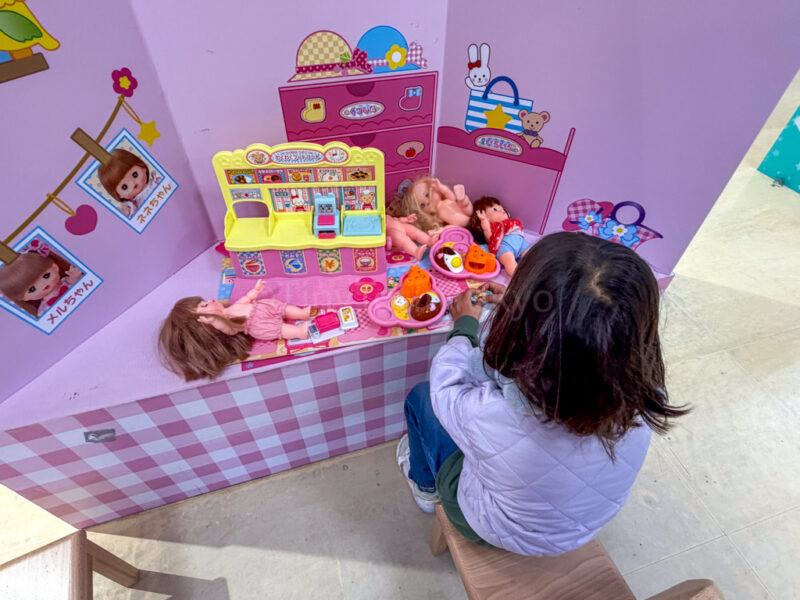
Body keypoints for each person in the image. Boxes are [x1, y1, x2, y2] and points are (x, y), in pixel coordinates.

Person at [396, 232, 689, 555]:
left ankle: (425, 489)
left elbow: (445, 387)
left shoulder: (497, 414)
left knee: (421, 399)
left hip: (494, 525)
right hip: (578, 529)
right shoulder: (645, 395)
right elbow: (581, 335)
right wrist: (524, 305)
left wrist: (464, 326)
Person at [159, 279, 311, 381]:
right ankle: (299, 332)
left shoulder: (230, 309)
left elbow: (246, 299)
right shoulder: (227, 323)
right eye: (204, 306)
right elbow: (228, 328)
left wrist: (256, 290)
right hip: (258, 324)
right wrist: (215, 320)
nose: (210, 301)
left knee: (283, 308)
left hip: (263, 308)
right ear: (206, 324)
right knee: (280, 329)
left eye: (204, 301)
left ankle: (302, 314)